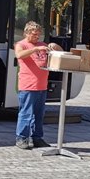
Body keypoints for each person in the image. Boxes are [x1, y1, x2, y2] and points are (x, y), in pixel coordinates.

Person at [14, 20, 61, 149]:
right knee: (26, 113)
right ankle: (21, 138)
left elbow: (60, 53)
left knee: (39, 115)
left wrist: (56, 47)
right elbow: (19, 55)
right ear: (26, 33)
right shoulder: (21, 44)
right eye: (34, 34)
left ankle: (37, 138)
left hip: (42, 85)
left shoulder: (42, 45)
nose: (37, 37)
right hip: (28, 86)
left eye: (38, 35)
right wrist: (35, 48)